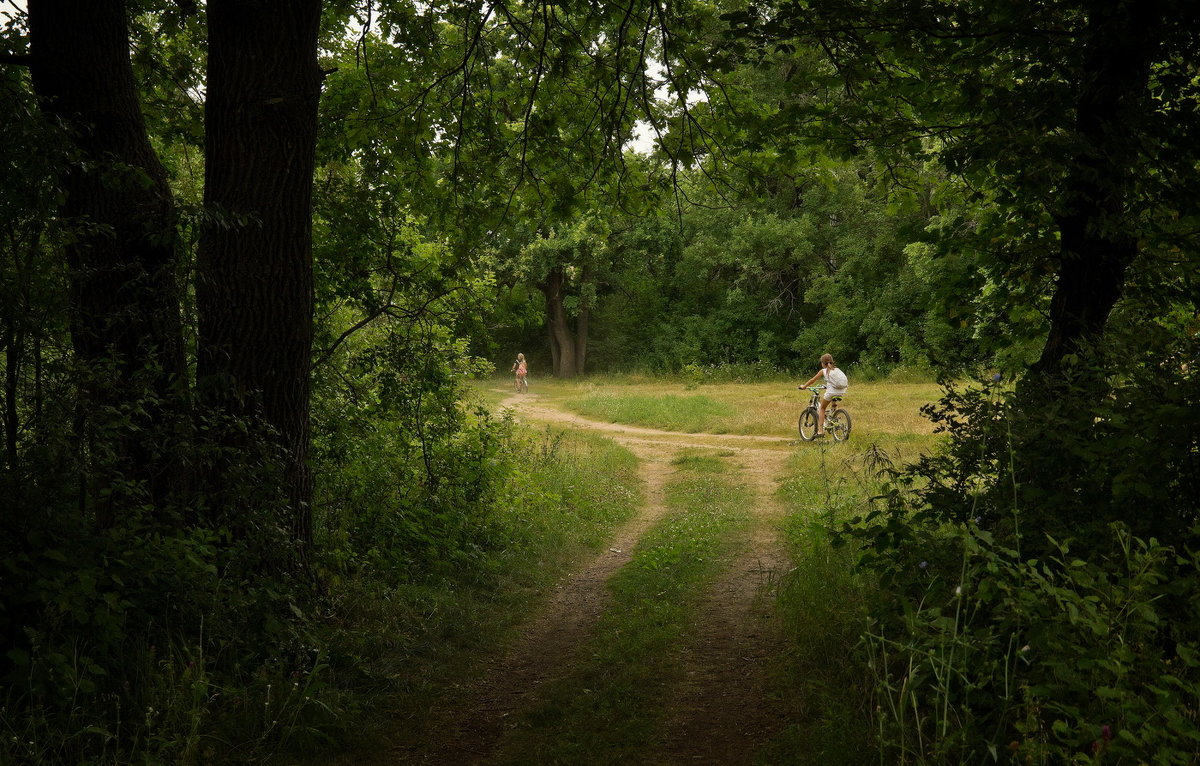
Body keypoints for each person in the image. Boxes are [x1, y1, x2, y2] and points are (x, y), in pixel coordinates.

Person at [800, 353, 848, 438]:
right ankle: (834, 413)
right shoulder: (837, 369)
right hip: (842, 391)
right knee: (833, 398)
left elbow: (812, 380)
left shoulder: (823, 371)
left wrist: (804, 386)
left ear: (823, 363)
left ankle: (820, 431)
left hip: (831, 392)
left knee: (822, 408)